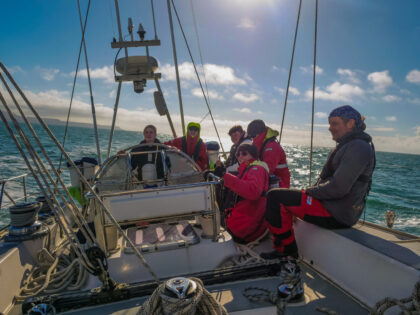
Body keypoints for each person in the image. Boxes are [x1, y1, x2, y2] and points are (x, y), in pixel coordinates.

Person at [262, 105, 376, 302]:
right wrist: (307, 195)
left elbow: (338, 188)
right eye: (330, 123)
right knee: (279, 197)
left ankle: (288, 255)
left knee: (275, 197)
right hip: (331, 206)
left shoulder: (358, 147)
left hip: (336, 212)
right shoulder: (349, 144)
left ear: (351, 124)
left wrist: (306, 193)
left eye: (335, 123)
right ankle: (286, 251)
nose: (330, 127)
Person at [222, 144, 269, 243]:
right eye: (237, 154)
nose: (240, 156)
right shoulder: (247, 169)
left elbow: (253, 191)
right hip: (243, 220)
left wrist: (225, 176)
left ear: (253, 156)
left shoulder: (256, 169)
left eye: (244, 153)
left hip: (246, 227)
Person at [247, 120, 290, 188]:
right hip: (266, 184)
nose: (252, 139)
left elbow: (266, 169)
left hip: (279, 188)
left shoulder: (272, 148)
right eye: (250, 137)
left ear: (260, 133)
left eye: (253, 135)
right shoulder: (262, 146)